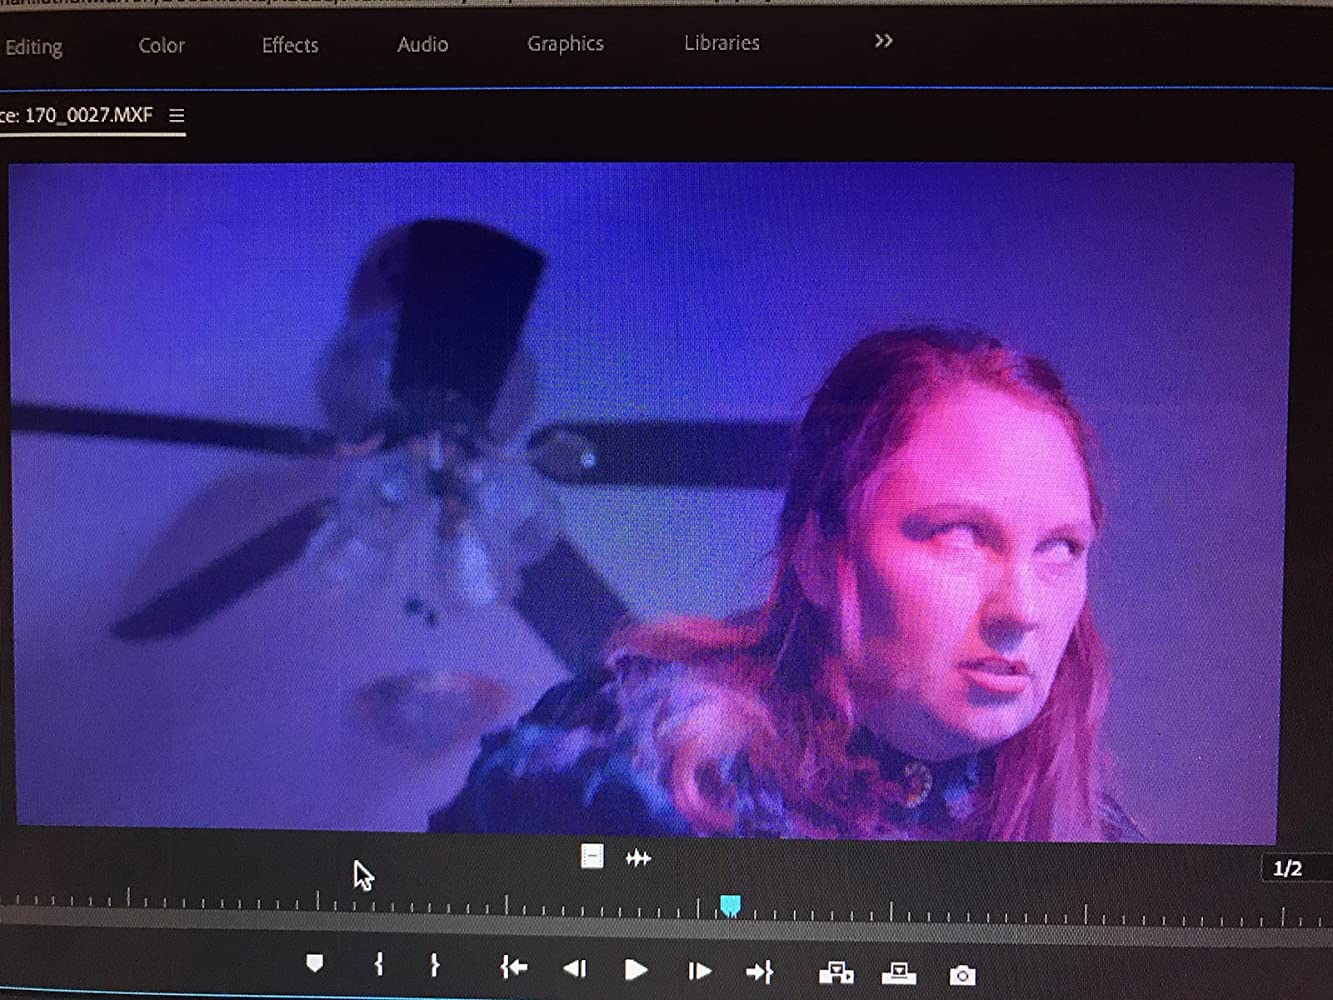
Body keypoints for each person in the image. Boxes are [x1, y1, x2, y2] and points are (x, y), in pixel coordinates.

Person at [431, 327, 1144, 841]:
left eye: (1060, 548)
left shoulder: (1094, 836)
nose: (1022, 610)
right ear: (817, 556)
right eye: (957, 534)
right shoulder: (636, 757)